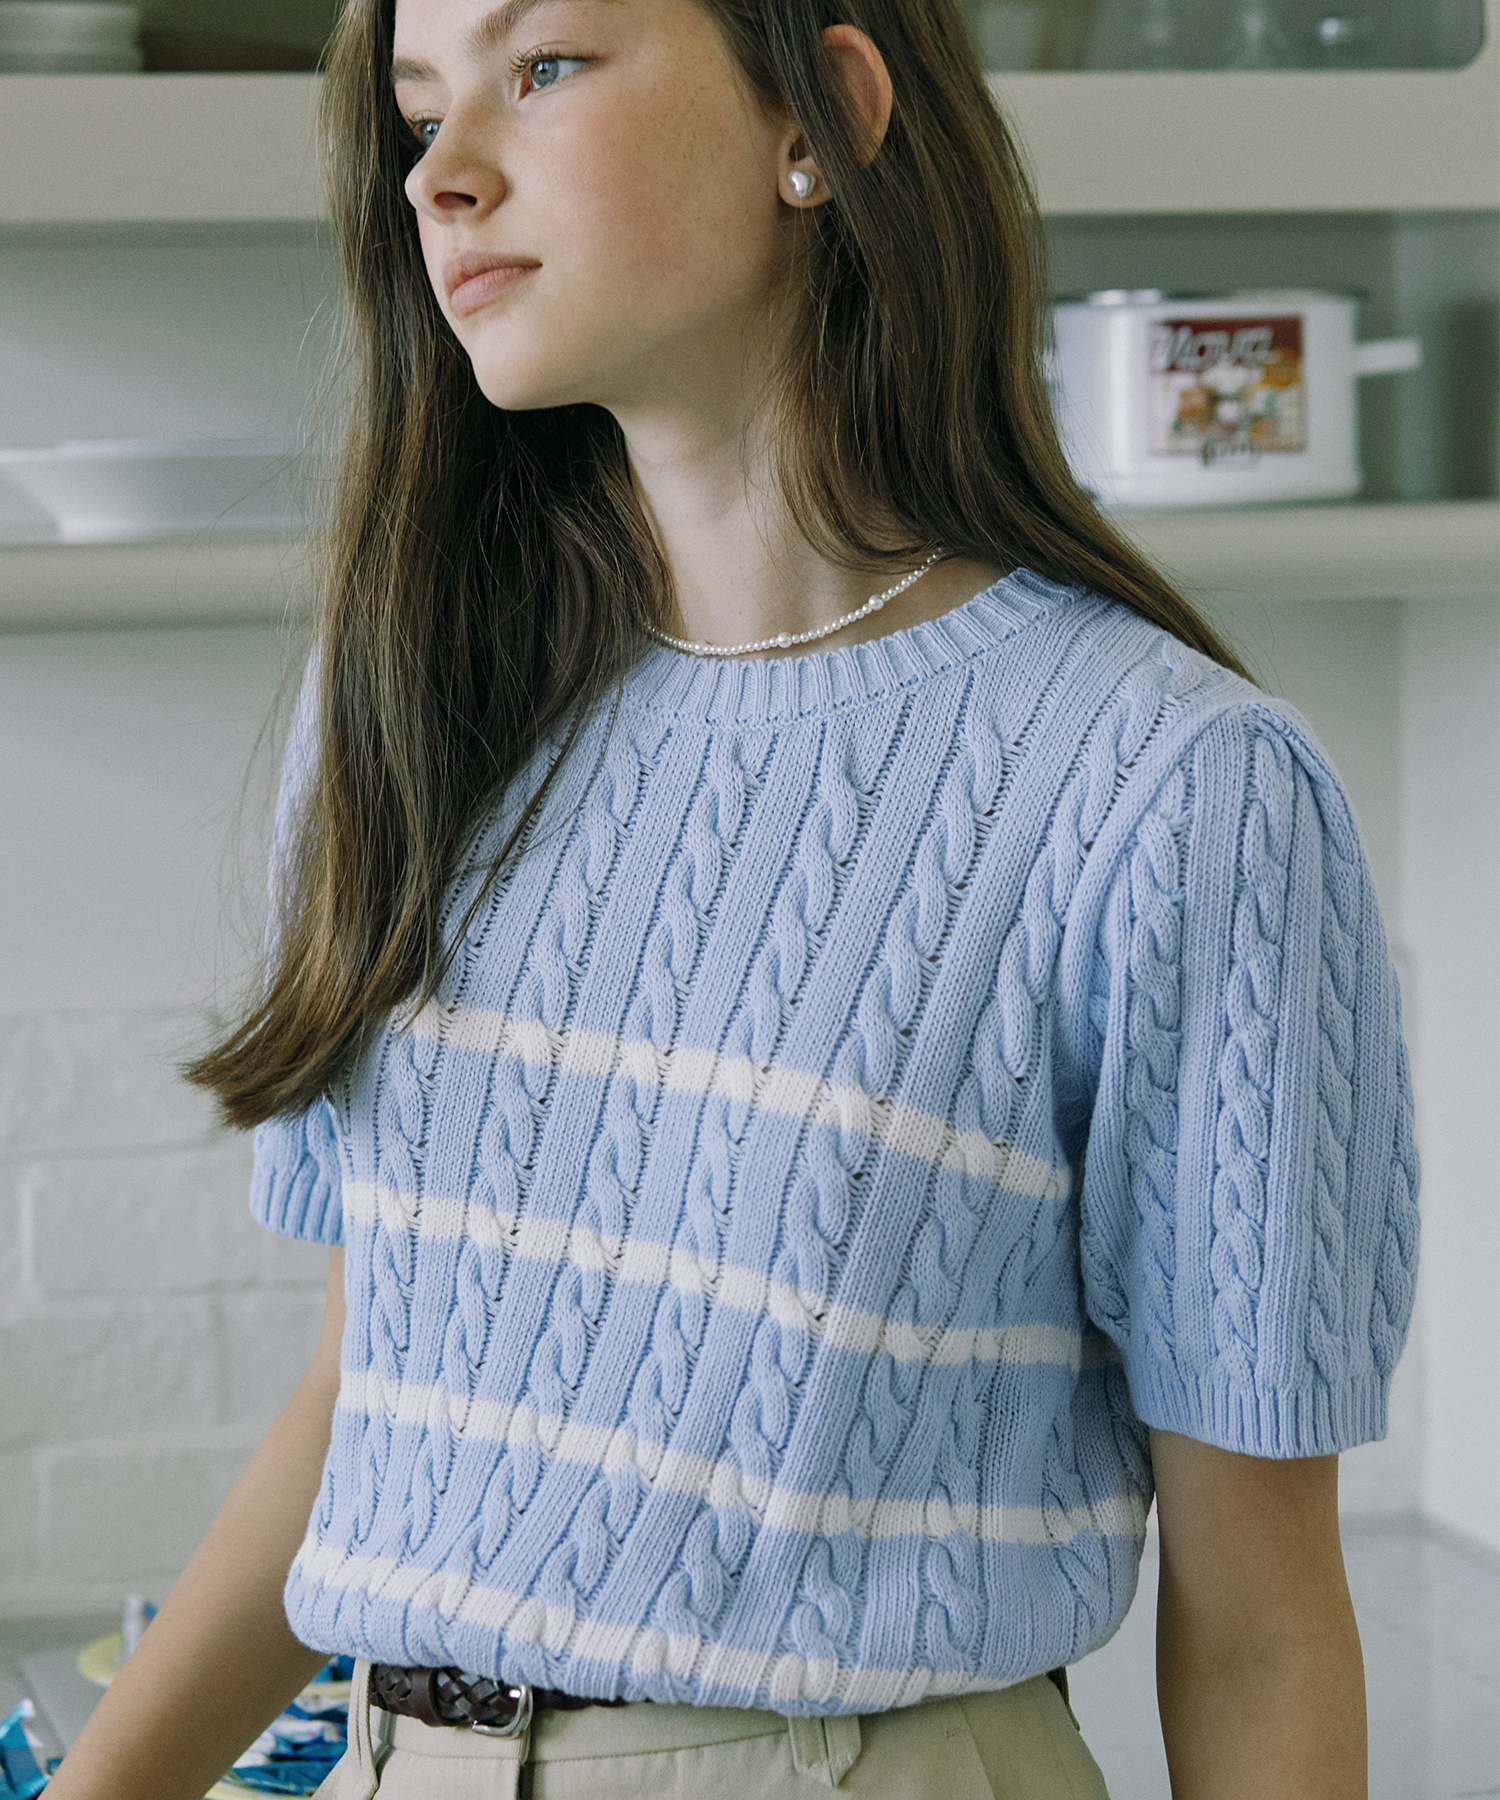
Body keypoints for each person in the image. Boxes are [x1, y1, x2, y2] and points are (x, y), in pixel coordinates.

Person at [46, 0, 1418, 1795]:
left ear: (818, 116)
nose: (441, 177)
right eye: (419, 111)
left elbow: (1260, 1625)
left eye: (543, 68)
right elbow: (365, 1401)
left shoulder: (1174, 789)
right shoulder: (408, 706)